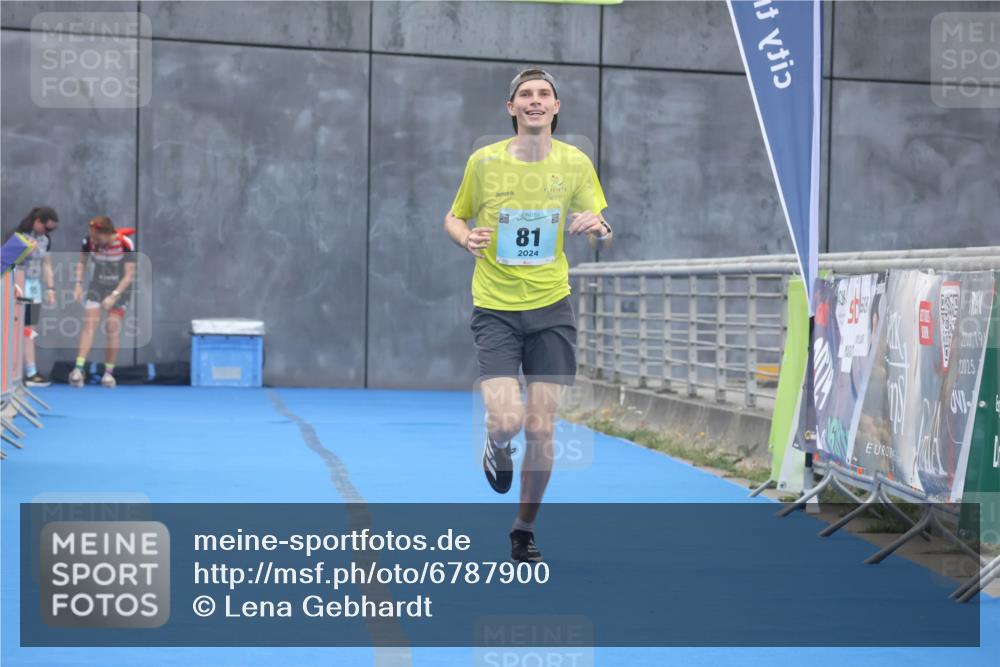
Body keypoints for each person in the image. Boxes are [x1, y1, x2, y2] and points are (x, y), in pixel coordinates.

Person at [444, 67, 612, 562]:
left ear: (556, 107)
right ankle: (496, 446)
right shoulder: (484, 161)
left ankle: (523, 528)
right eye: (525, 95)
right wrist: (465, 237)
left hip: (551, 309)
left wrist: (597, 225)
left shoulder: (575, 163)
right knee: (508, 420)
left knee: (541, 428)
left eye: (544, 94)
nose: (535, 101)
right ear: (511, 107)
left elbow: (603, 226)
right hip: (495, 308)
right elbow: (455, 215)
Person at [69, 216, 136, 389]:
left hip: (120, 288)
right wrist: (78, 284)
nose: (94, 241)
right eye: (92, 237)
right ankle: (78, 369)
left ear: (107, 234)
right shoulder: (88, 242)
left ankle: (108, 373)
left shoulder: (124, 243)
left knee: (112, 327)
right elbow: (82, 263)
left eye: (97, 238)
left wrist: (114, 295)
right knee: (89, 324)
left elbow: (129, 275)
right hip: (97, 286)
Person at [10, 206, 60, 387]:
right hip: (16, 285)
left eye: (52, 230)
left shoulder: (45, 240)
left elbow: (47, 264)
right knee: (12, 328)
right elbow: (5, 260)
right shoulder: (18, 235)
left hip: (34, 287)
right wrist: (24, 251)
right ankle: (10, 370)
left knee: (29, 329)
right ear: (38, 222)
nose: (49, 232)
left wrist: (51, 288)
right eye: (47, 228)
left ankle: (31, 371)